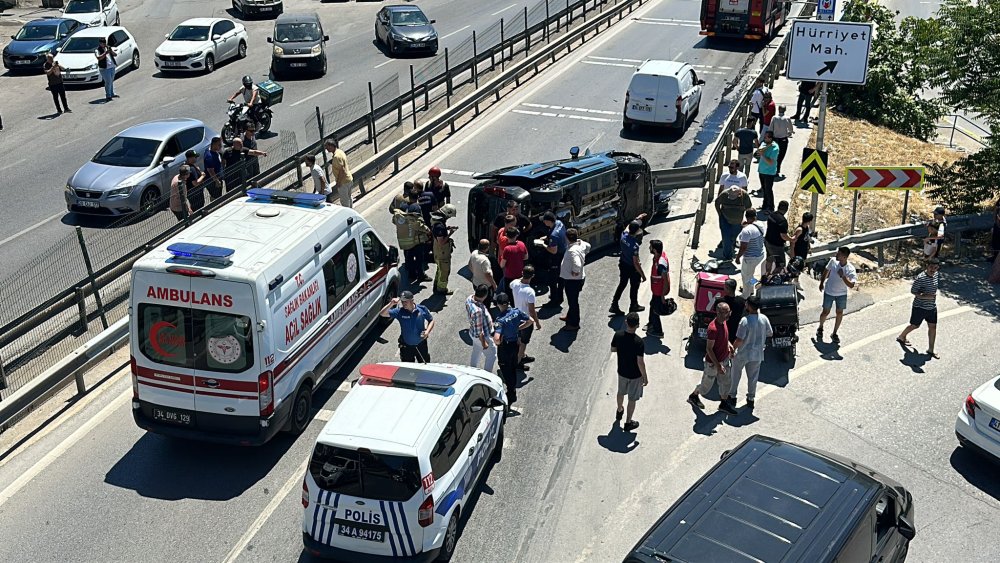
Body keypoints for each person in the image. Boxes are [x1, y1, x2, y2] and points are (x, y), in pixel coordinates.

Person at [688, 302, 738, 415]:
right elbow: (709, 349)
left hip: (724, 359)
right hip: (713, 364)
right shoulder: (713, 329)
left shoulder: (724, 322)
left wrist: (729, 345)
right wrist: (718, 365)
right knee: (705, 387)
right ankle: (694, 396)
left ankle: (724, 404)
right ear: (719, 313)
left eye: (729, 311)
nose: (729, 314)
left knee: (726, 383)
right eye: (726, 312)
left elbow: (724, 339)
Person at [729, 296, 772, 410]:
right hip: (757, 354)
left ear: (749, 306)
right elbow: (770, 333)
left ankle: (732, 396)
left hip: (743, 353)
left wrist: (732, 350)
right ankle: (751, 399)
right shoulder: (764, 319)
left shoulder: (745, 321)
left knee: (735, 375)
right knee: (753, 377)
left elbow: (739, 340)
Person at [493, 293, 532, 410]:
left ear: (498, 304)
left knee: (505, 368)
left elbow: (496, 338)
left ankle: (511, 393)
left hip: (505, 347)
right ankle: (512, 389)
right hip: (515, 344)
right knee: (512, 366)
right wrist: (518, 328)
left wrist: (499, 343)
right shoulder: (516, 312)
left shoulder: (500, 320)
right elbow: (530, 320)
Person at [896, 258, 941, 358]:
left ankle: (931, 350)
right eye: (931, 267)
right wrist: (926, 296)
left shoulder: (936, 275)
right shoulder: (921, 278)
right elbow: (913, 291)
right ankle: (901, 336)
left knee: (933, 327)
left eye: (935, 267)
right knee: (915, 325)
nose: (932, 269)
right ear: (927, 266)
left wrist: (931, 298)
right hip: (919, 307)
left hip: (931, 307)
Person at [611, 312, 647, 432]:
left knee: (620, 392)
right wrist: (645, 377)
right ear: (637, 325)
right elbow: (640, 362)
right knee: (632, 399)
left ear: (626, 322)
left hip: (622, 371)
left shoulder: (618, 335)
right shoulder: (639, 342)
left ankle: (619, 409)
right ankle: (628, 422)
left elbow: (613, 349)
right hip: (635, 376)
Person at [817, 246, 858, 343]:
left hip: (841, 294)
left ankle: (834, 333)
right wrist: (821, 283)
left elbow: (852, 285)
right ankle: (820, 327)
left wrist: (843, 276)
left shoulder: (850, 269)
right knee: (825, 312)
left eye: (839, 254)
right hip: (829, 291)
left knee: (839, 313)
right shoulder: (833, 261)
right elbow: (826, 271)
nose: (836, 255)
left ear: (844, 257)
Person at [379, 291, 434, 362]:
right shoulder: (399, 312)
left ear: (412, 300)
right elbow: (382, 313)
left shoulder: (422, 309)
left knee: (425, 364)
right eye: (402, 301)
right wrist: (391, 303)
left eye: (406, 301)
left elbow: (431, 321)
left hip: (421, 345)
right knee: (408, 368)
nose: (403, 303)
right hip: (407, 347)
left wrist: (427, 332)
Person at [610, 221, 646, 315]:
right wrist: (643, 275)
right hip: (632, 268)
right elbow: (636, 263)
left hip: (623, 264)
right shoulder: (634, 245)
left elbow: (627, 227)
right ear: (637, 232)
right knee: (634, 286)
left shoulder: (623, 236)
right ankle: (634, 305)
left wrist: (638, 218)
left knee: (622, 284)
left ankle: (614, 304)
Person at [510, 265, 541, 369]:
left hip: (516, 318)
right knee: (524, 341)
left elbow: (514, 283)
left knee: (519, 339)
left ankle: (522, 355)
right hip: (526, 321)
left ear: (522, 273)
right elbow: (532, 311)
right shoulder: (530, 292)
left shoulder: (514, 284)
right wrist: (537, 322)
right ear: (533, 276)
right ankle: (518, 362)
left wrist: (522, 277)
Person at [559, 228, 590, 331]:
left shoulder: (573, 250)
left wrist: (575, 271)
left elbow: (577, 263)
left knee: (573, 302)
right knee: (572, 300)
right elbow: (588, 246)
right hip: (576, 279)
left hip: (573, 281)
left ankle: (574, 323)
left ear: (567, 238)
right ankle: (569, 316)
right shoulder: (580, 244)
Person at [393, 201, 432, 283]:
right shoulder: (415, 214)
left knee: (409, 258)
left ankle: (412, 275)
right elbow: (419, 226)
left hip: (407, 241)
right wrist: (428, 231)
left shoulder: (401, 213)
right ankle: (421, 276)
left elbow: (395, 221)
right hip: (416, 241)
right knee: (419, 259)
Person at [715, 182, 752, 262]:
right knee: (726, 237)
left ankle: (729, 244)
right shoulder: (724, 194)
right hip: (725, 219)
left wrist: (746, 220)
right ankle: (728, 257)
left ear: (739, 194)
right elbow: (717, 203)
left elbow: (749, 208)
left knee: (732, 237)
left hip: (738, 221)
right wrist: (720, 214)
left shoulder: (744, 196)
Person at [735, 209, 767, 298]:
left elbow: (743, 247)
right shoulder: (760, 224)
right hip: (760, 254)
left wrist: (738, 258)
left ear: (746, 217)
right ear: (755, 216)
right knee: (750, 274)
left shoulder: (746, 231)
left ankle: (746, 294)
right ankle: (752, 288)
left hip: (750, 258)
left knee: (745, 277)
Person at [539, 211, 568, 306]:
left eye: (544, 221)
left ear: (548, 221)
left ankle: (554, 301)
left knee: (553, 279)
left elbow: (553, 250)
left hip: (556, 257)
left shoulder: (554, 235)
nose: (543, 223)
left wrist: (543, 244)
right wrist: (547, 238)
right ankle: (559, 296)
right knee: (561, 277)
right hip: (563, 253)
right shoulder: (559, 223)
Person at [466, 285, 496, 371]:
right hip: (482, 337)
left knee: (476, 350)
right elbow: (480, 331)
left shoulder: (469, 299)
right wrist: (484, 343)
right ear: (485, 295)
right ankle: (487, 374)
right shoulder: (478, 311)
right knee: (492, 355)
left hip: (472, 332)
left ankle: (472, 369)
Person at [431, 204, 458, 295]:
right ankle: (442, 289)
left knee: (440, 269)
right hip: (442, 252)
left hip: (438, 252)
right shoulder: (440, 226)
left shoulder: (436, 220)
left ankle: (437, 285)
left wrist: (447, 228)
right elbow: (441, 242)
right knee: (444, 271)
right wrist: (450, 233)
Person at [645, 239, 669, 338]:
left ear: (654, 250)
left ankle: (658, 331)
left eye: (650, 247)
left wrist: (663, 295)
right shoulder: (658, 256)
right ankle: (651, 324)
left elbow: (666, 280)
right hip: (656, 290)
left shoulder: (661, 264)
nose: (649, 248)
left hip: (659, 291)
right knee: (652, 305)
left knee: (655, 310)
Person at [500, 227, 528, 301]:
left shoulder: (507, 249)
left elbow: (502, 264)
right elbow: (526, 257)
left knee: (511, 296)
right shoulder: (522, 244)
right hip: (520, 275)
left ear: (507, 236)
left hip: (509, 276)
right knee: (519, 294)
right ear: (516, 235)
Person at [764, 201, 792, 275]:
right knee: (781, 265)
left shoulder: (772, 215)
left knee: (769, 259)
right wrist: (791, 239)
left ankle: (767, 274)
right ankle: (773, 278)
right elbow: (783, 236)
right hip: (776, 246)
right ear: (786, 209)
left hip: (767, 241)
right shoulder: (782, 221)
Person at [324, 138, 354, 208]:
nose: (326, 149)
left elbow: (342, 170)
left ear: (331, 146)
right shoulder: (340, 152)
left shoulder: (336, 156)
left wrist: (338, 182)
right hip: (348, 179)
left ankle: (348, 215)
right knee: (349, 197)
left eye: (327, 147)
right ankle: (352, 211)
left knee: (344, 201)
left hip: (343, 182)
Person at [469, 239, 498, 308]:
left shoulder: (474, 253)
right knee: (486, 303)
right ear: (487, 248)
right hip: (485, 286)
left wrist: (476, 273)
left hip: (475, 283)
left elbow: (469, 266)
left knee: (478, 300)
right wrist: (494, 285)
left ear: (479, 245)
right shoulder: (485, 260)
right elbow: (488, 275)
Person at [755, 131, 779, 212]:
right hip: (762, 170)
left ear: (770, 138)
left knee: (768, 190)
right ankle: (764, 205)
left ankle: (771, 207)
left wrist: (762, 155)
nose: (764, 138)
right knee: (764, 189)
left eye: (766, 137)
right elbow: (759, 150)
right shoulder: (764, 144)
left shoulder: (775, 148)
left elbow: (771, 162)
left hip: (769, 172)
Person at [769, 106, 794, 177]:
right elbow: (791, 130)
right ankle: (777, 170)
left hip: (775, 139)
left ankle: (773, 170)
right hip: (783, 140)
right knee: (781, 156)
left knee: (774, 155)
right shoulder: (787, 118)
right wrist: (789, 133)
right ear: (785, 110)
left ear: (778, 109)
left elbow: (770, 128)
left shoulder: (774, 118)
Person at [721, 278, 744, 344]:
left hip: (722, 329)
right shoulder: (741, 301)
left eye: (725, 286)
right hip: (735, 330)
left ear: (728, 289)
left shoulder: (720, 301)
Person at [96, 37, 117, 102]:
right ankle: (108, 95)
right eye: (103, 43)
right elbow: (99, 58)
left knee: (111, 80)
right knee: (108, 81)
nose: (104, 44)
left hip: (111, 66)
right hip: (104, 68)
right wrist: (105, 53)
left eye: (105, 42)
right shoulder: (97, 50)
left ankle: (112, 93)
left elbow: (115, 54)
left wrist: (111, 51)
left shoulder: (108, 48)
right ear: (100, 43)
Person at [203, 137, 224, 201]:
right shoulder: (209, 156)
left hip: (216, 178)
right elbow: (210, 171)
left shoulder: (214, 151)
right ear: (214, 144)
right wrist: (217, 181)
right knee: (216, 197)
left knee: (217, 196)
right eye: (219, 145)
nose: (221, 146)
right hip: (212, 181)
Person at [992, 198, 1000, 262]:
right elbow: (995, 211)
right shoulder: (999, 202)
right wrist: (995, 221)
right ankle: (995, 256)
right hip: (997, 224)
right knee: (995, 242)